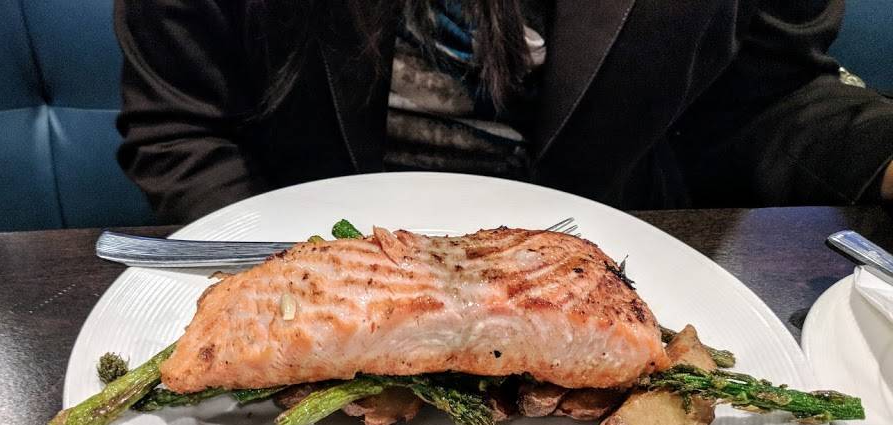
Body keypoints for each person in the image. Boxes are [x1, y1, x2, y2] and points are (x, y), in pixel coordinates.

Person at [114, 0, 893, 224]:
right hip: (316, 262)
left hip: (607, 269)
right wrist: (290, 296)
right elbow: (182, 126)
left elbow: (765, 102)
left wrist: (878, 153)